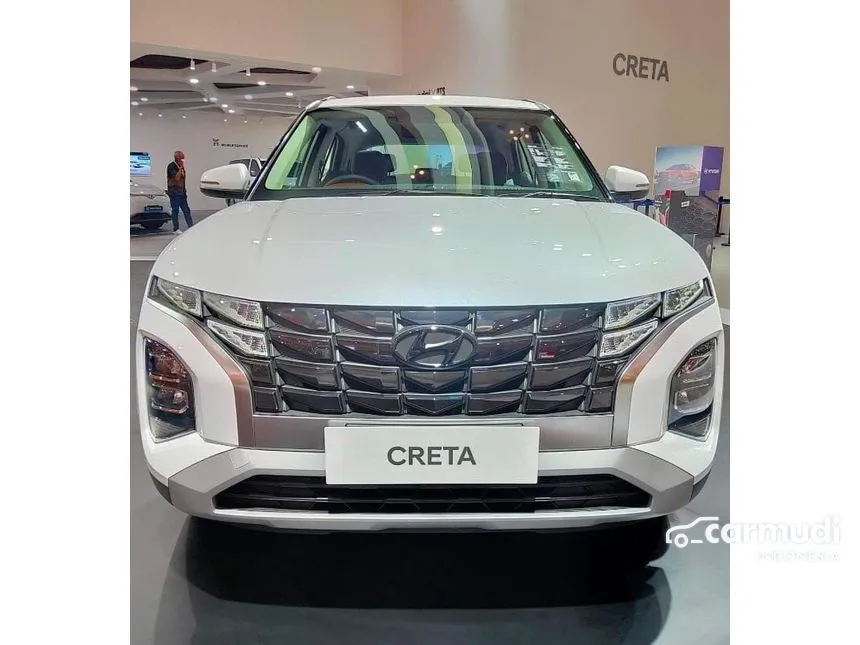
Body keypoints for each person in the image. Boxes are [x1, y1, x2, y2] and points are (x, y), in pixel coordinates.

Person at [167, 150, 193, 234]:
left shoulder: (180, 166)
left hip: (182, 193)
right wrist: (181, 168)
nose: (183, 159)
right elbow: (177, 178)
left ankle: (191, 226)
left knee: (186, 210)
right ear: (178, 158)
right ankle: (176, 228)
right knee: (175, 210)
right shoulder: (172, 166)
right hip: (174, 193)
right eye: (182, 157)